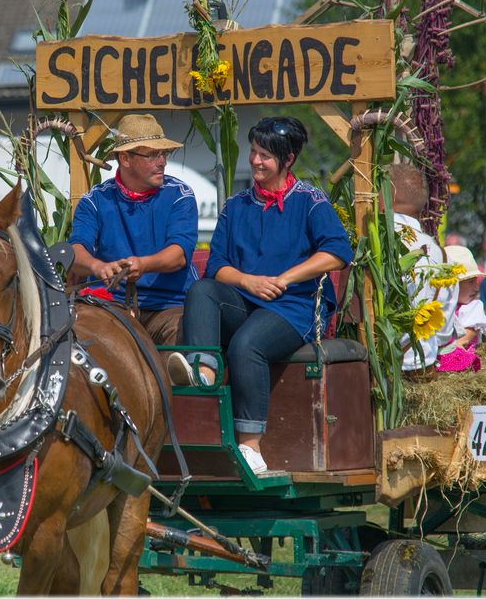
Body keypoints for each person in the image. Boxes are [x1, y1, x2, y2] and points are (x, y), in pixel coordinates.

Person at [167, 116, 352, 476]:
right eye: (253, 152)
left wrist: (285, 278)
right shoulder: (236, 205)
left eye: (264, 155)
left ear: (288, 159)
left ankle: (251, 446)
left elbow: (337, 251)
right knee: (202, 289)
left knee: (246, 344)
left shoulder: (310, 201)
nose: (254, 161)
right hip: (247, 299)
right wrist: (249, 282)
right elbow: (216, 265)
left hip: (294, 307)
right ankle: (204, 374)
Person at [69, 113, 198, 346]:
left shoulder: (180, 195)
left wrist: (143, 264)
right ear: (125, 159)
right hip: (110, 307)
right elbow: (75, 251)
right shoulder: (95, 200)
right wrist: (99, 267)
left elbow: (179, 255)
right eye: (153, 154)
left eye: (164, 153)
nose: (163, 162)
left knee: (180, 335)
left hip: (170, 307)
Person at [388, 163, 458, 378]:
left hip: (376, 374)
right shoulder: (442, 257)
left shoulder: (373, 245)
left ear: (387, 193)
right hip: (422, 370)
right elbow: (444, 332)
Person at [437, 246, 486, 373]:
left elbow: (466, 336)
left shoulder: (473, 307)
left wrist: (448, 351)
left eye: (475, 282)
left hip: (458, 354)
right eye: (470, 282)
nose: (476, 288)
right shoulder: (442, 307)